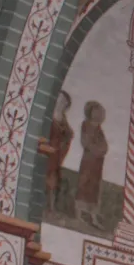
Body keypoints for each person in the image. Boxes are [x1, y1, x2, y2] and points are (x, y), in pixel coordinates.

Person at [76, 101, 108, 229]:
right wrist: (96, 150)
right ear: (91, 112)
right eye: (96, 111)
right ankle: (79, 214)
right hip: (88, 160)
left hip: (97, 163)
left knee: (94, 188)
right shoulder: (86, 125)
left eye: (100, 112)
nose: (99, 114)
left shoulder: (99, 129)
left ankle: (93, 217)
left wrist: (101, 150)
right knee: (84, 183)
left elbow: (104, 146)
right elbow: (85, 142)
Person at [46, 91, 74, 213]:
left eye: (64, 102)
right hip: (47, 151)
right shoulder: (48, 116)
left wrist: (64, 139)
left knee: (53, 178)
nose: (61, 103)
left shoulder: (63, 120)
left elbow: (69, 134)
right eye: (59, 100)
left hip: (56, 153)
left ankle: (51, 206)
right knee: (47, 175)